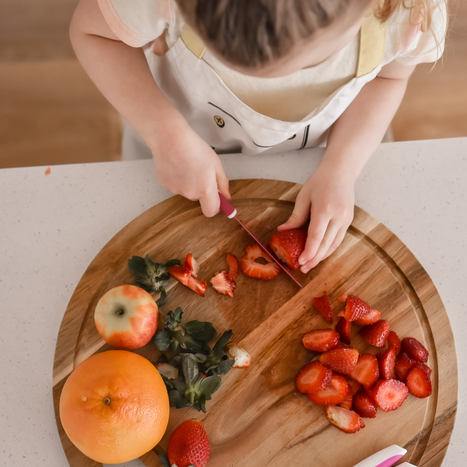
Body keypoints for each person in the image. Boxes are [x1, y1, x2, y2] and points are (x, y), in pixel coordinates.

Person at [69, 0, 447, 273]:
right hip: (174, 140)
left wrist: (340, 170)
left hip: (331, 148)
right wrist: (165, 135)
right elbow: (94, 34)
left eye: (308, 63)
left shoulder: (409, 11)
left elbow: (387, 77)